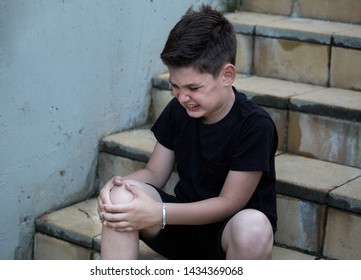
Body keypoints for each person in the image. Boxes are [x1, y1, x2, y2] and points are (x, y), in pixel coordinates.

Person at [98, 4, 278, 260]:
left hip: (229, 237)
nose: (183, 97)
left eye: (193, 87)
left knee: (254, 228)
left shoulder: (255, 125)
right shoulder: (178, 110)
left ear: (227, 75)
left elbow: (229, 202)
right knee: (119, 197)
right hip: (182, 228)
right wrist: (114, 186)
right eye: (174, 86)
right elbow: (154, 173)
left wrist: (159, 212)